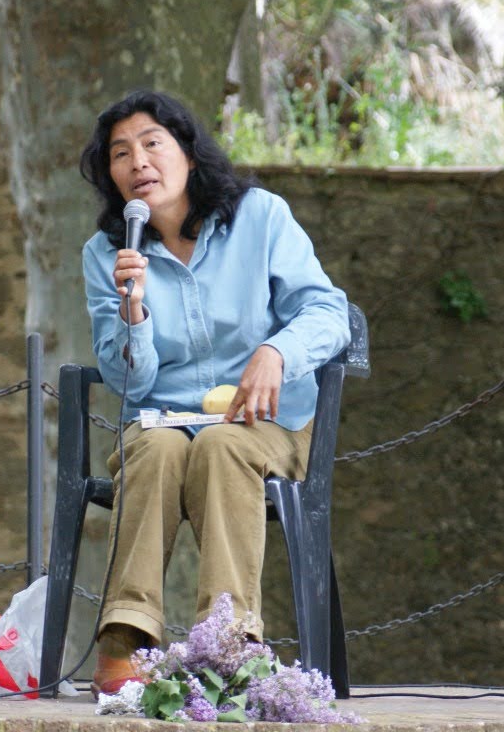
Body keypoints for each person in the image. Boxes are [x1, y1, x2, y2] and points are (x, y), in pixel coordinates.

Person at [79, 90, 351, 695]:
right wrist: (133, 311)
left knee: (223, 446)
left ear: (190, 153)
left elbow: (329, 313)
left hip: (267, 423)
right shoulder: (107, 254)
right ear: (111, 177)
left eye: (152, 143)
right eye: (120, 153)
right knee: (156, 450)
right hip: (163, 421)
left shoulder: (261, 217)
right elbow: (128, 383)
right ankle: (126, 639)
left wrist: (277, 352)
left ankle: (228, 642)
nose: (138, 161)